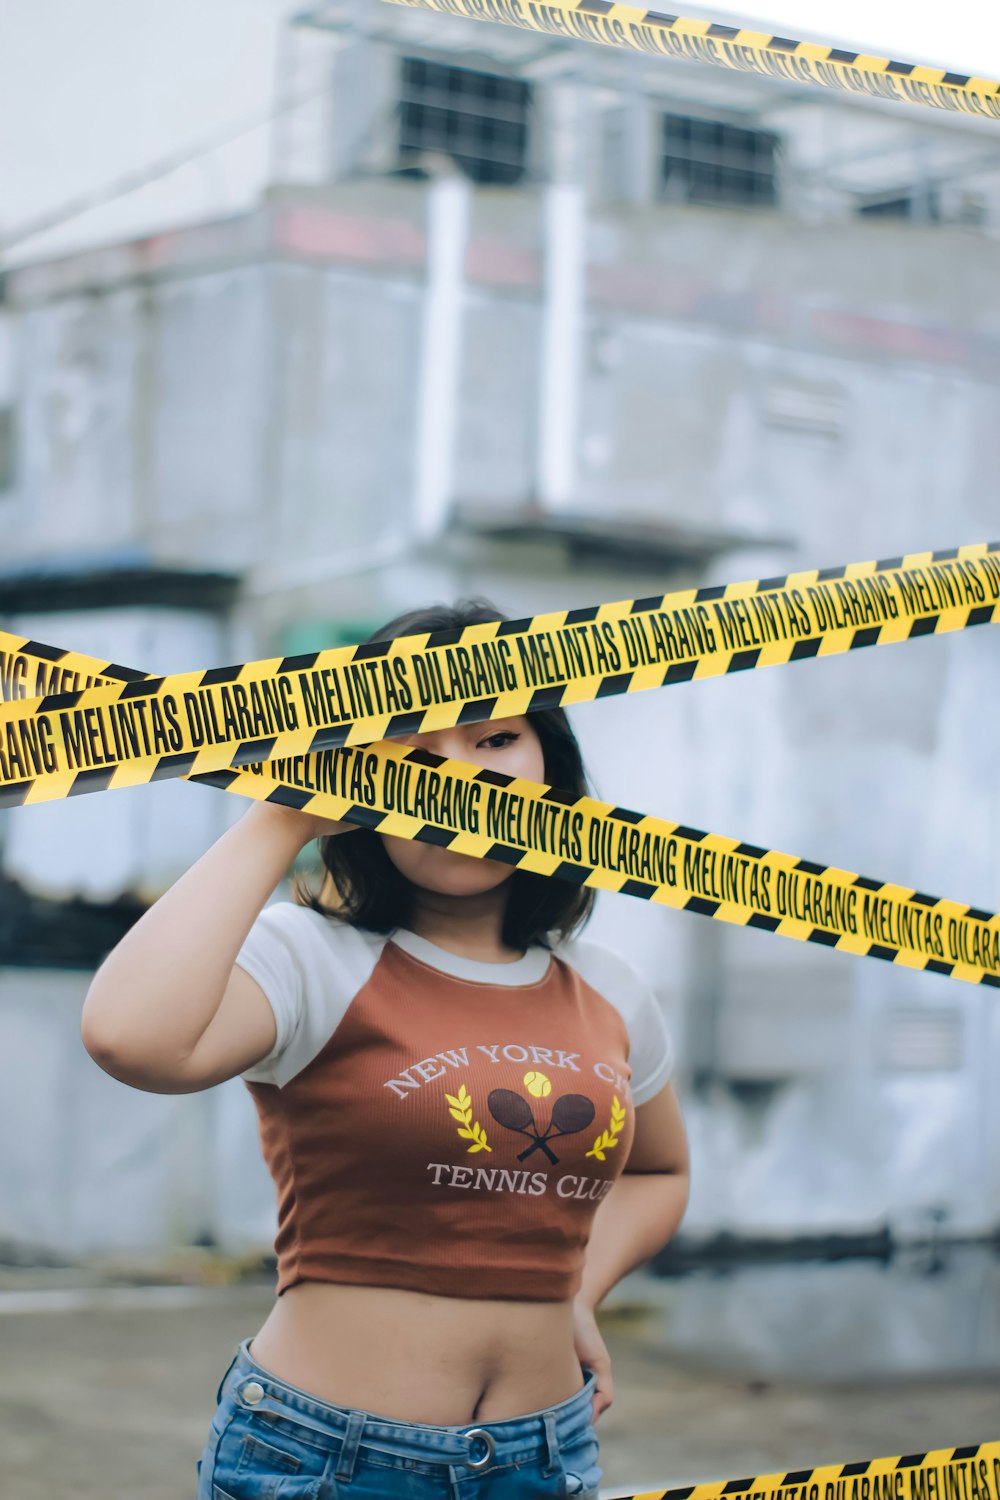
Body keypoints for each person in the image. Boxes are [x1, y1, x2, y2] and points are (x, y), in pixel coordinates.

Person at [81, 599, 690, 1500]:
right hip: (325, 1459)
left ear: (549, 766)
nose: (459, 778)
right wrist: (281, 817)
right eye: (414, 753)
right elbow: (132, 1040)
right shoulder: (310, 956)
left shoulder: (608, 988)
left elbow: (657, 1174)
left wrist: (578, 1292)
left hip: (548, 1458)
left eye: (494, 740)